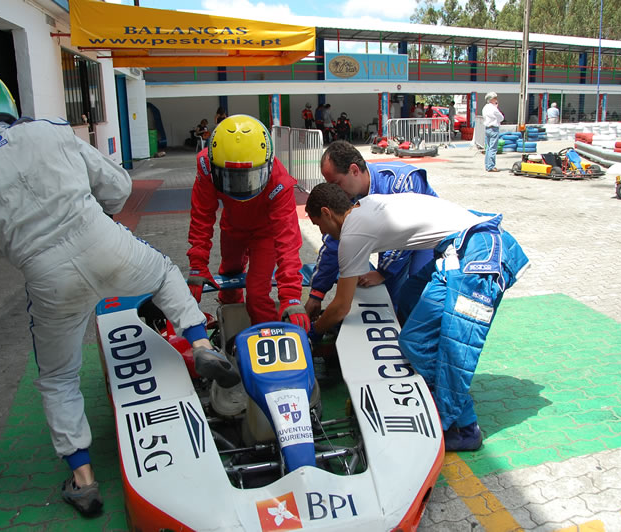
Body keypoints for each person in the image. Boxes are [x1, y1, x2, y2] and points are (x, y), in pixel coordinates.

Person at [0, 67, 239, 517]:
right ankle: (201, 344)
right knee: (164, 275)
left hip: (47, 276)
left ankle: (84, 480)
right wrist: (98, 214)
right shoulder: (48, 132)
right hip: (101, 239)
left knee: (58, 377)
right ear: (4, 98)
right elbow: (118, 186)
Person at [305, 183, 530, 452]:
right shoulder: (366, 207)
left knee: (444, 347)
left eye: (318, 225)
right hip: (465, 244)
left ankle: (465, 429)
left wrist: (314, 332)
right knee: (411, 296)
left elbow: (341, 307)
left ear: (327, 213)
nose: (322, 233)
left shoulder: (352, 233)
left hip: (478, 254)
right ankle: (432, 379)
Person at [187, 114, 309, 331]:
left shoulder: (279, 182)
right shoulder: (207, 166)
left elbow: (288, 241)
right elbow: (202, 216)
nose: (240, 185)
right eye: (231, 177)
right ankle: (230, 327)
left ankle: (270, 336)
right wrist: (198, 265)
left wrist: (291, 297)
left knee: (257, 293)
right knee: (229, 275)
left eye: (249, 177)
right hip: (232, 227)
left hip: (265, 234)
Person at [304, 140, 438, 321]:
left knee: (416, 299)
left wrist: (384, 273)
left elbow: (410, 230)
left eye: (336, 183)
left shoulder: (401, 180)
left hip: (428, 242)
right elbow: (334, 242)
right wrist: (317, 293)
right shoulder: (347, 197)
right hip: (396, 246)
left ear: (354, 170)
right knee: (388, 302)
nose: (334, 190)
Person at [482, 92, 504, 173]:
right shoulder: (494, 108)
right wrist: (496, 107)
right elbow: (501, 118)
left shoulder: (485, 108)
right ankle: (491, 166)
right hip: (494, 128)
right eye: (495, 98)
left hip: (487, 128)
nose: (496, 100)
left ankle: (487, 165)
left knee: (488, 148)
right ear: (491, 99)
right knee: (493, 148)